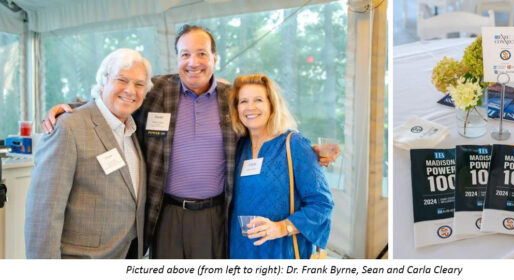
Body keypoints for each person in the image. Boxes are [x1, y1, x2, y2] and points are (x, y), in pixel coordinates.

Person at [41, 25, 338, 259]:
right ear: (176, 59)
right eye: (185, 54)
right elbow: (114, 97)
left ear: (214, 58)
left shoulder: (230, 99)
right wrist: (69, 108)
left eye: (201, 53)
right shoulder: (157, 91)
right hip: (165, 213)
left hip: (215, 216)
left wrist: (309, 154)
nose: (193, 62)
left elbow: (264, 127)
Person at [25, 48, 152, 258]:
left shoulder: (133, 130)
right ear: (103, 81)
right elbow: (43, 214)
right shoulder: (68, 128)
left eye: (139, 84)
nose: (130, 90)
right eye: (121, 80)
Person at [228, 74, 333, 259]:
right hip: (240, 250)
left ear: (272, 104)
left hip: (281, 251)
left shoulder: (294, 144)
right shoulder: (238, 147)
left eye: (258, 100)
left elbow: (322, 203)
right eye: (243, 101)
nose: (250, 107)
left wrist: (281, 227)